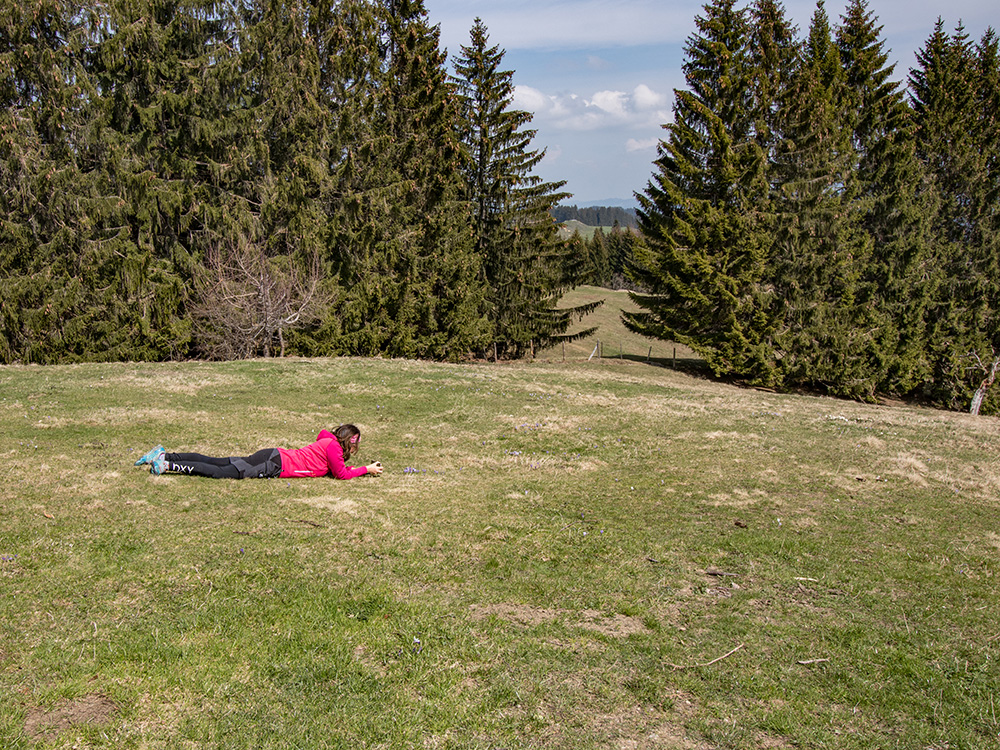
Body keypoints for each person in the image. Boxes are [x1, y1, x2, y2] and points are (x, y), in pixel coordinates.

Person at [134, 425, 383, 480]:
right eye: (354, 445)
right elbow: (340, 473)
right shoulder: (334, 449)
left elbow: (337, 466)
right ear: (350, 442)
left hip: (273, 455)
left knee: (218, 461)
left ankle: (165, 455)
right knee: (224, 473)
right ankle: (167, 465)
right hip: (275, 464)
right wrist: (367, 469)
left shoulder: (327, 443)